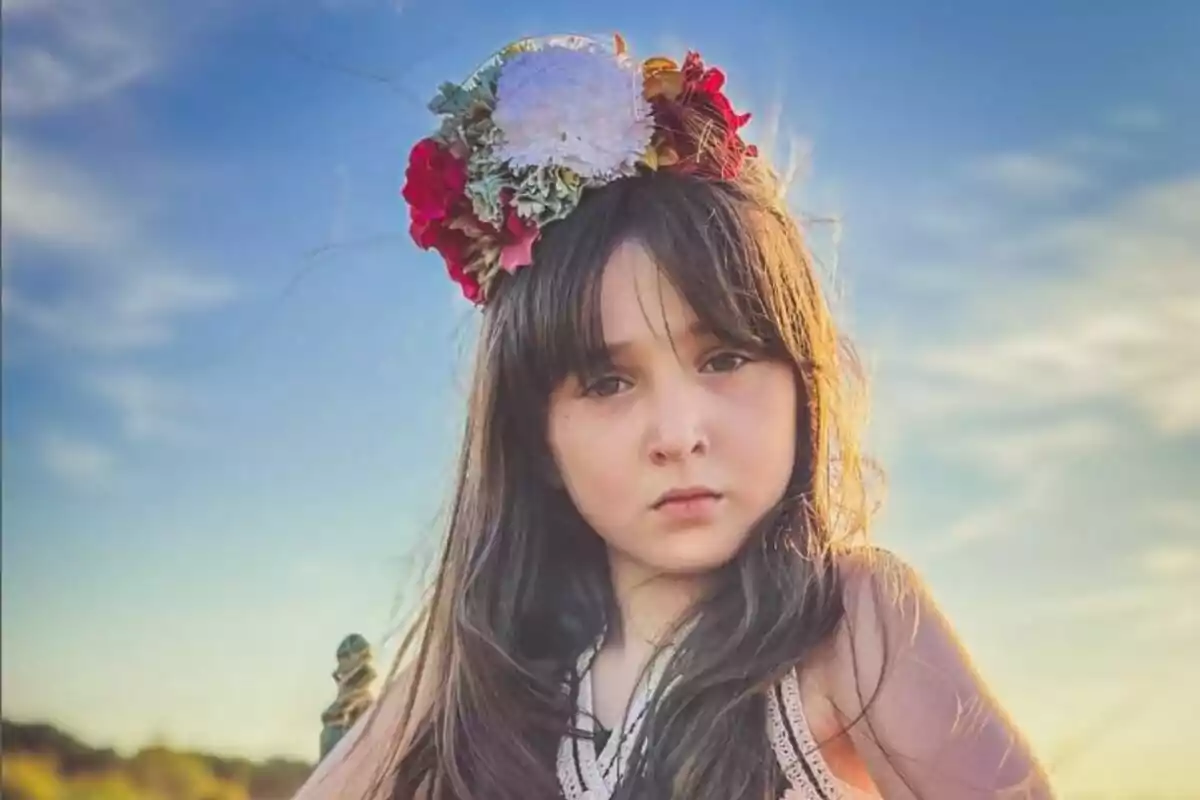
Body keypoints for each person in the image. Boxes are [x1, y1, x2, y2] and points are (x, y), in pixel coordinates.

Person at [293, 33, 1054, 800]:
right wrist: (452, 655)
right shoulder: (523, 688)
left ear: (800, 378)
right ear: (534, 438)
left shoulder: (848, 624)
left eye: (724, 359)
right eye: (606, 382)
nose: (679, 435)